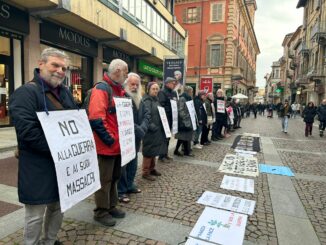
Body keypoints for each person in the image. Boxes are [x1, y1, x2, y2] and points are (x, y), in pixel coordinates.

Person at [9, 48, 77, 244]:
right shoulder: (25, 93)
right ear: (41, 64)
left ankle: (49, 240)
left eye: (64, 68)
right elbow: (28, 133)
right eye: (55, 65)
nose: (60, 71)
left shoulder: (65, 92)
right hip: (37, 166)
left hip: (62, 165)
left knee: (58, 207)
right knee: (35, 215)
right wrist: (61, 149)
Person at [88, 59, 128, 226]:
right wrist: (111, 140)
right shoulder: (102, 89)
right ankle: (101, 211)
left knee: (114, 177)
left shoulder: (118, 90)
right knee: (104, 180)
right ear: (118, 70)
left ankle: (111, 206)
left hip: (118, 146)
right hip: (107, 147)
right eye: (125, 72)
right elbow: (96, 119)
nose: (126, 75)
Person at [117, 73, 150, 203]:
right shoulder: (122, 97)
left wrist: (143, 127)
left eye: (137, 84)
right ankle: (121, 191)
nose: (135, 87)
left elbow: (147, 115)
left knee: (133, 163)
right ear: (126, 84)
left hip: (136, 138)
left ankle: (130, 185)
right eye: (132, 84)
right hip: (125, 138)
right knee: (123, 166)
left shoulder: (140, 99)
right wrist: (140, 129)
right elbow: (126, 119)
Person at [141, 82, 167, 180]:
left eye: (157, 89)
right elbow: (146, 116)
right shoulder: (146, 100)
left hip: (157, 130)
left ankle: (152, 169)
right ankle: (145, 172)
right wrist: (152, 127)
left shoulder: (157, 100)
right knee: (148, 150)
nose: (155, 91)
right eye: (153, 89)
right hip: (150, 130)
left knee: (154, 149)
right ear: (148, 90)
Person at [158, 77, 178, 162]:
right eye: (172, 83)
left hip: (171, 119)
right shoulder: (162, 92)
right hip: (165, 119)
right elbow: (161, 105)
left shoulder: (173, 93)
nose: (174, 85)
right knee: (163, 138)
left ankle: (165, 154)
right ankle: (161, 156)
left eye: (174, 84)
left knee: (168, 137)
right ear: (167, 83)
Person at [174, 86, 195, 156]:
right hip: (184, 121)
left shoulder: (188, 98)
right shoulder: (182, 98)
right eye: (191, 92)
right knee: (182, 137)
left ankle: (186, 151)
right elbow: (180, 110)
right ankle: (179, 151)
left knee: (185, 137)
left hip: (188, 120)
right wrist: (185, 117)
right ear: (188, 91)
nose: (192, 93)